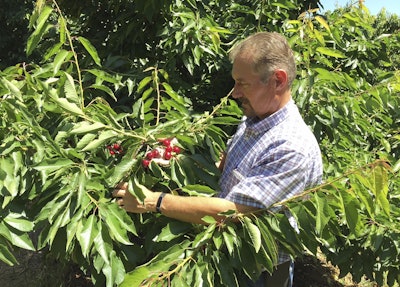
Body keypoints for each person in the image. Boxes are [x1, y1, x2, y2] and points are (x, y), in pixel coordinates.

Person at [113, 31, 323, 287]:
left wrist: (154, 201)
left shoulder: (291, 146)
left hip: (257, 271)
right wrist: (177, 165)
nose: (234, 93)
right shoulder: (255, 119)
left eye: (242, 83)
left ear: (278, 81)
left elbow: (233, 214)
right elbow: (230, 166)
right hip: (225, 254)